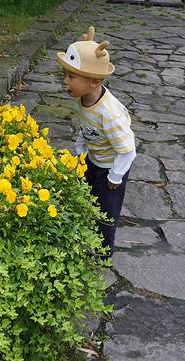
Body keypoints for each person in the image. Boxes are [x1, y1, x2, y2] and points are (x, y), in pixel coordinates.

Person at [56, 26, 136, 257]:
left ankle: (103, 252)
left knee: (107, 211)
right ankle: (86, 234)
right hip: (93, 158)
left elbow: (128, 150)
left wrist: (115, 176)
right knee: (87, 198)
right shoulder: (82, 98)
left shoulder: (109, 114)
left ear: (93, 81)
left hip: (111, 167)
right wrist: (81, 150)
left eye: (71, 76)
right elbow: (87, 126)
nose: (65, 81)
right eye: (65, 74)